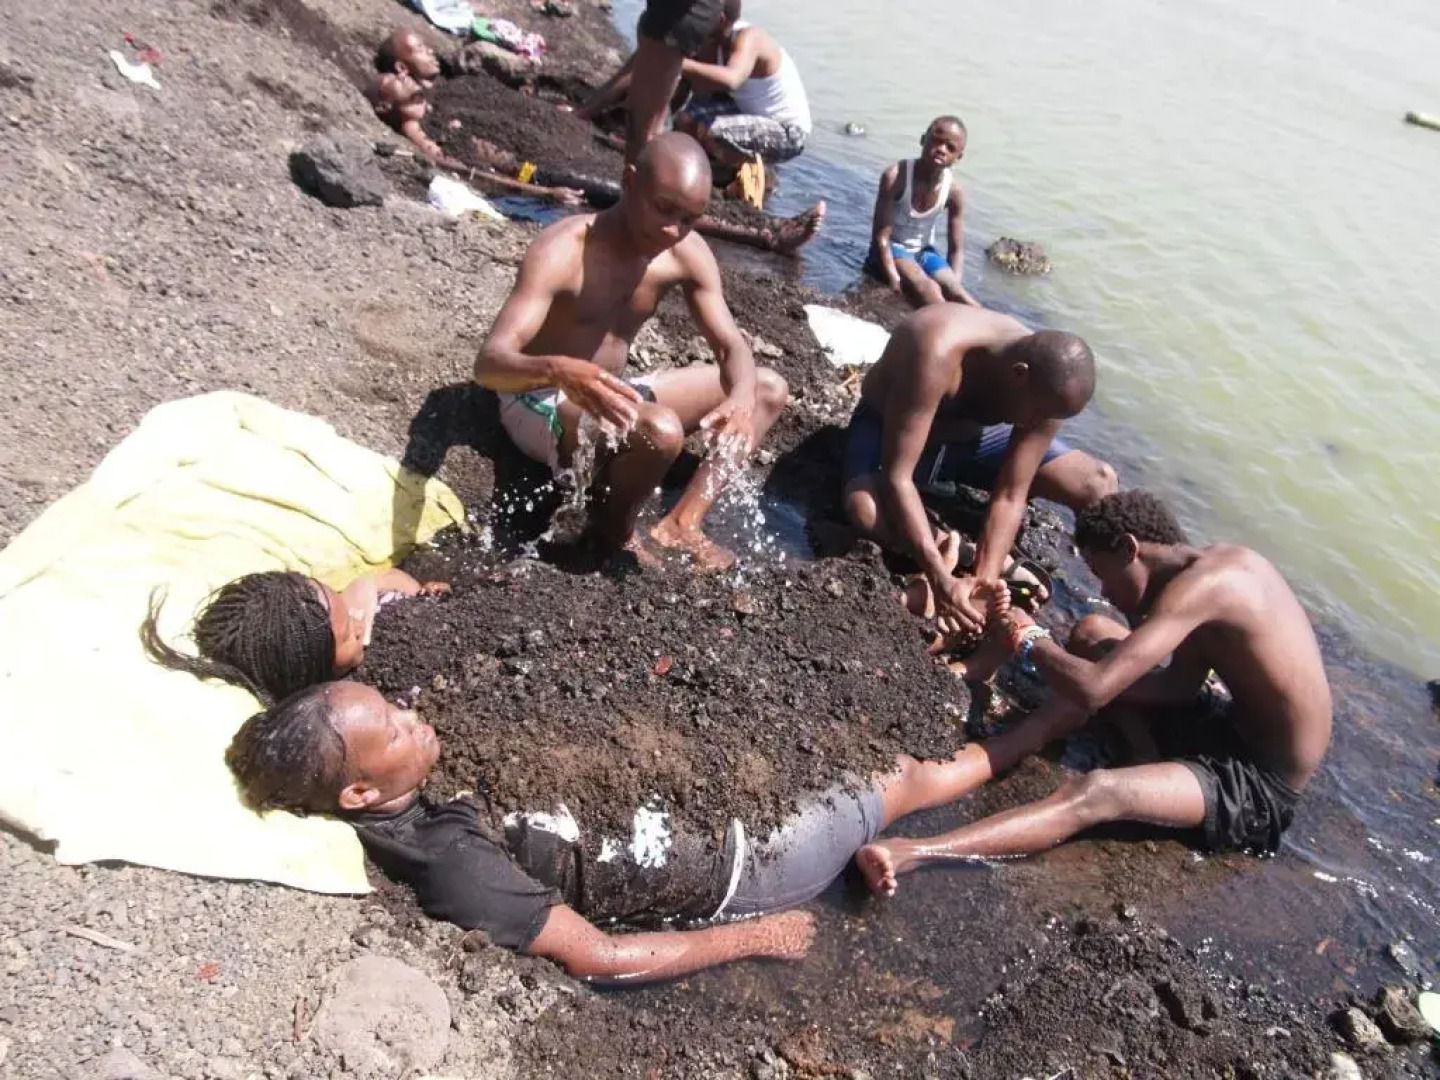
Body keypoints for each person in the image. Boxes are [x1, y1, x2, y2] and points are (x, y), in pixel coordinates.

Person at [223, 659, 1022, 982]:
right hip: (750, 864)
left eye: (393, 707)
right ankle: (1046, 726)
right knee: (909, 778)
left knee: (866, 726)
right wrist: (754, 937)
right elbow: (600, 955)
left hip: (704, 795)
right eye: (393, 728)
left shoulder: (413, 785)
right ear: (359, 795)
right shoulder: (453, 866)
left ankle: (983, 676)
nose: (411, 715)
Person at [856, 490, 1335, 896]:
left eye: (1103, 574)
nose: (1106, 589)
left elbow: (1091, 691)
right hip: (1226, 724)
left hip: (1258, 784)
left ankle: (916, 854)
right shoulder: (1207, 569)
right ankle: (1149, 758)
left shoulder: (1203, 590)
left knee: (1097, 792)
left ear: (1130, 549)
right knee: (1090, 633)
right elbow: (1180, 684)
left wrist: (1028, 638)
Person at [475, 132, 790, 570]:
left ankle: (682, 524)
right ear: (630, 180)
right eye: (663, 208)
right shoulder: (565, 250)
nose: (672, 229)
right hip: (541, 396)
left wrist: (738, 400)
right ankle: (611, 530)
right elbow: (490, 365)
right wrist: (561, 370)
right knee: (659, 432)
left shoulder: (683, 251)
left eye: (688, 218)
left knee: (766, 389)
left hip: (612, 391)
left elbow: (731, 344)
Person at [843, 304, 1117, 646]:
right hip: (893, 433)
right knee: (864, 511)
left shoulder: (1049, 388)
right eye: (1038, 413)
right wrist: (940, 577)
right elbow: (899, 477)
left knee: (1097, 482)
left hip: (971, 443)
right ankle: (946, 548)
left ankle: (971, 557)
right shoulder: (936, 348)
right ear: (1019, 374)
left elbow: (1010, 493)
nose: (1038, 423)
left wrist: (982, 585)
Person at [140, 569, 449, 703]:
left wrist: (420, 593)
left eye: (339, 602)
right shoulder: (354, 699)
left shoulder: (346, 612)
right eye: (346, 637)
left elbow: (384, 580)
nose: (358, 625)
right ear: (311, 669)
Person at [368, 30, 583, 205]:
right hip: (518, 185)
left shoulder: (429, 107)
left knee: (594, 190)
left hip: (524, 171)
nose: (402, 78)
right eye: (393, 80)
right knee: (591, 194)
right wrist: (545, 192)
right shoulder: (415, 129)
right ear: (384, 105)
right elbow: (465, 170)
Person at [670, 0, 813, 172]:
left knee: (714, 131)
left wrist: (677, 63)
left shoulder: (749, 38)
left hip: (787, 133)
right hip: (750, 113)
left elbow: (732, 79)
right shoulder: (711, 42)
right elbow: (692, 85)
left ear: (720, 19)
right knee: (685, 121)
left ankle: (744, 168)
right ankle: (724, 158)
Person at [870, 116, 977, 308]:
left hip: (924, 252)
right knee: (928, 288)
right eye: (936, 140)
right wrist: (894, 280)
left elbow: (956, 249)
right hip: (893, 248)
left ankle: (1001, 334)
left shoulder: (953, 191)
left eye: (950, 148)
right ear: (922, 140)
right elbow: (881, 238)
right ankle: (949, 326)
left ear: (958, 157)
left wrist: (954, 284)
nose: (941, 149)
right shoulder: (896, 176)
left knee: (959, 294)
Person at [625, 0, 725, 165]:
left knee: (644, 124)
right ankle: (638, 182)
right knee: (647, 120)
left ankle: (643, 185)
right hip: (680, 14)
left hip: (676, 16)